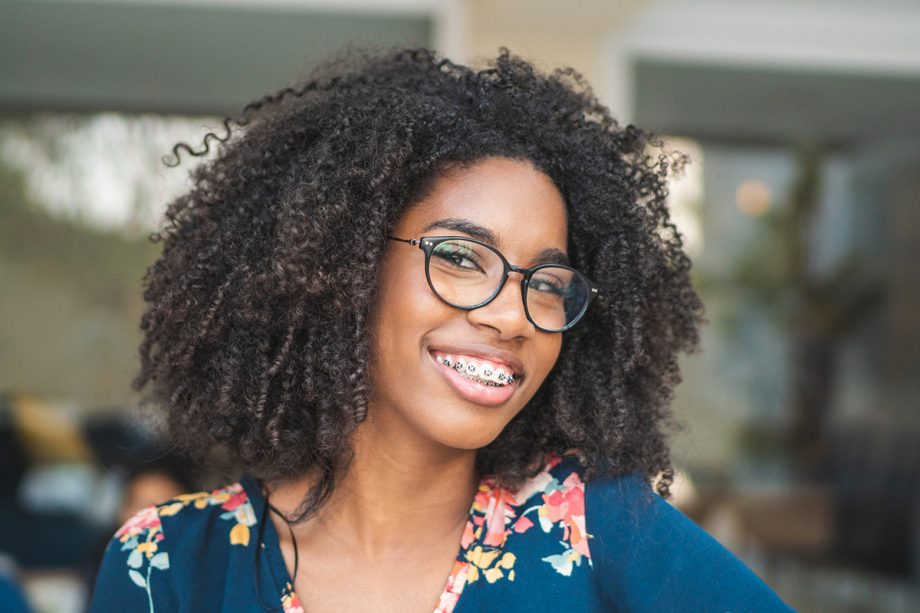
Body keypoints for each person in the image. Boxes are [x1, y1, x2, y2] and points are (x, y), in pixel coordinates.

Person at [89, 45, 796, 612]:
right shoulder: (169, 564)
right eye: (460, 257)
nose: (511, 315)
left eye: (546, 285)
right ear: (347, 263)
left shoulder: (595, 527)